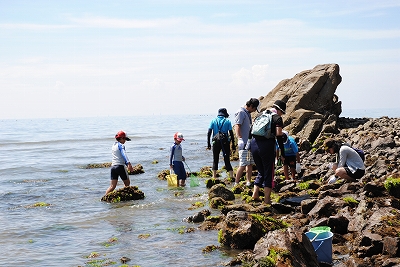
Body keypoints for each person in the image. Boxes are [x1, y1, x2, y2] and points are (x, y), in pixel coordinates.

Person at [251, 100, 286, 204]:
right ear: (280, 110)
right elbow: (279, 135)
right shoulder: (277, 118)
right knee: (269, 173)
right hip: (266, 146)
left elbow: (251, 130)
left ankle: (255, 194)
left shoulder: (260, 114)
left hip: (254, 144)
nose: (282, 114)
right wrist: (282, 152)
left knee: (261, 171)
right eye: (283, 112)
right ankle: (267, 200)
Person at [234, 98, 260, 186]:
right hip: (243, 142)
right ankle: (236, 183)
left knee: (250, 163)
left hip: (249, 142)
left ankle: (248, 181)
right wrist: (240, 138)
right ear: (251, 106)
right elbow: (237, 126)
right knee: (243, 163)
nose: (254, 111)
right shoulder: (241, 112)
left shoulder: (246, 113)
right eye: (254, 109)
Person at [207, 108, 235, 179]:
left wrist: (208, 144)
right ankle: (231, 176)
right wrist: (233, 144)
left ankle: (214, 176)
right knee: (227, 159)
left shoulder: (213, 120)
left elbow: (209, 132)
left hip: (215, 142)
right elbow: (231, 133)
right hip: (225, 142)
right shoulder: (227, 121)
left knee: (215, 159)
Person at [105, 130, 135, 195]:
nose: (125, 141)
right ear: (121, 138)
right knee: (127, 183)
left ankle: (105, 198)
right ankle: (125, 196)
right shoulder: (121, 145)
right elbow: (124, 154)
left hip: (113, 167)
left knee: (112, 186)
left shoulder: (113, 145)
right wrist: (128, 164)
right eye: (124, 139)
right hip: (120, 167)